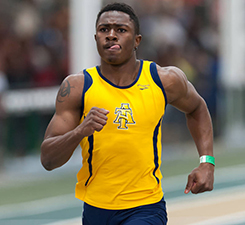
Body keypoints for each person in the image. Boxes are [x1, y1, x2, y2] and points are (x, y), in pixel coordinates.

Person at [41, 3, 214, 225]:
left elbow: (197, 108)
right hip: (96, 209)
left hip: (146, 207)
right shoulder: (77, 87)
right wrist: (80, 131)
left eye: (121, 30)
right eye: (104, 30)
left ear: (137, 40)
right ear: (96, 38)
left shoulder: (163, 80)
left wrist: (206, 162)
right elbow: (48, 159)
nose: (111, 35)